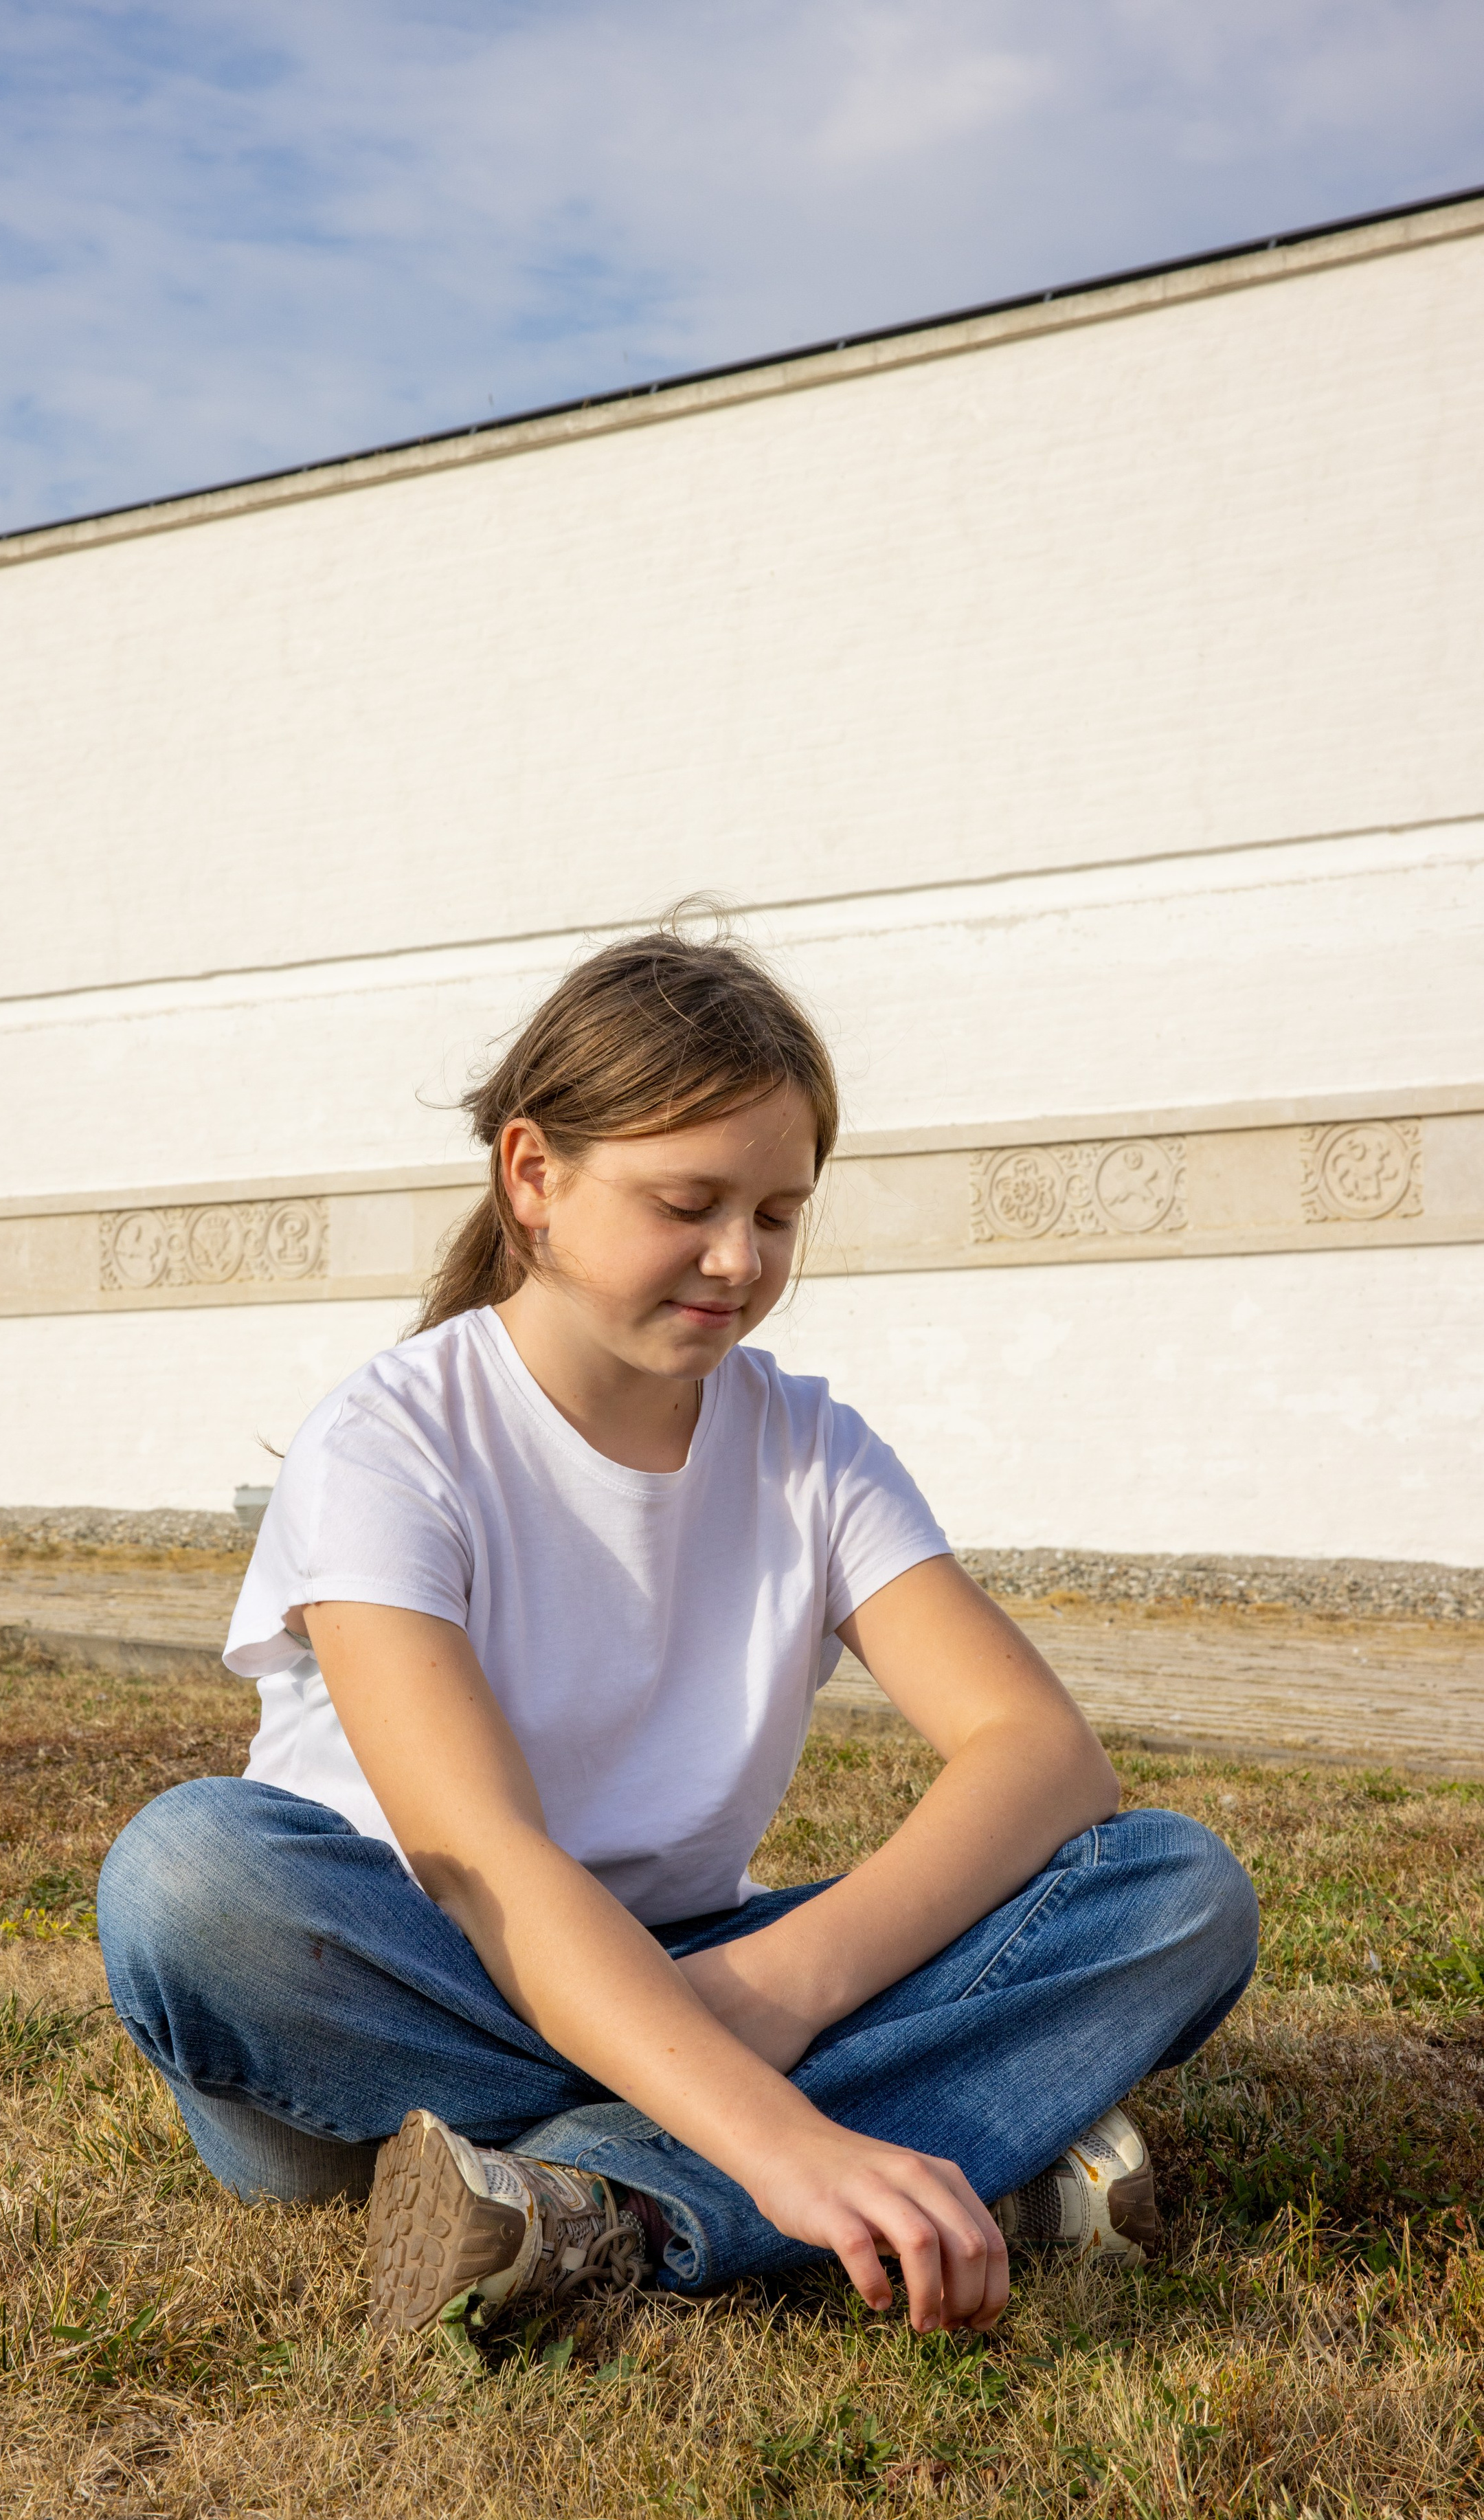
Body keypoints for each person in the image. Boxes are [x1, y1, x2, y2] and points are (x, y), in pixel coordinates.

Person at [98, 924, 1258, 2342]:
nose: (736, 1257)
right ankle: (903, 2157)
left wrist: (773, 1986)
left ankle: (598, 2206)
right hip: (394, 1993)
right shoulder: (390, 1440)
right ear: (533, 1174)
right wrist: (783, 2134)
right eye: (687, 1201)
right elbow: (486, 1863)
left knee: (1174, 1888)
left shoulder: (810, 1446)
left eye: (776, 1212)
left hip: (698, 1963)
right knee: (190, 1873)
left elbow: (1037, 1752)